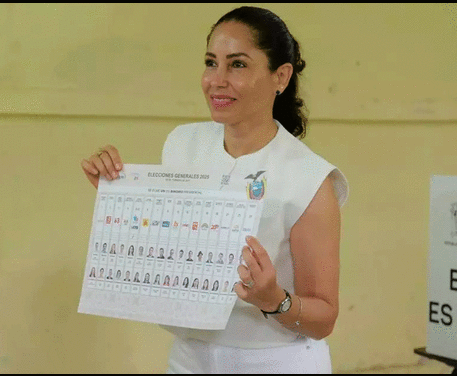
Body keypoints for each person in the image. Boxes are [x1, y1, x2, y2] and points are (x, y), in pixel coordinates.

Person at [80, 6, 347, 374]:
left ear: (280, 76)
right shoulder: (182, 144)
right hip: (189, 358)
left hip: (276, 361)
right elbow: (170, 249)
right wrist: (119, 195)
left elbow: (324, 318)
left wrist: (273, 299)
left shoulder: (309, 179)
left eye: (237, 64)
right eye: (210, 62)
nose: (216, 80)